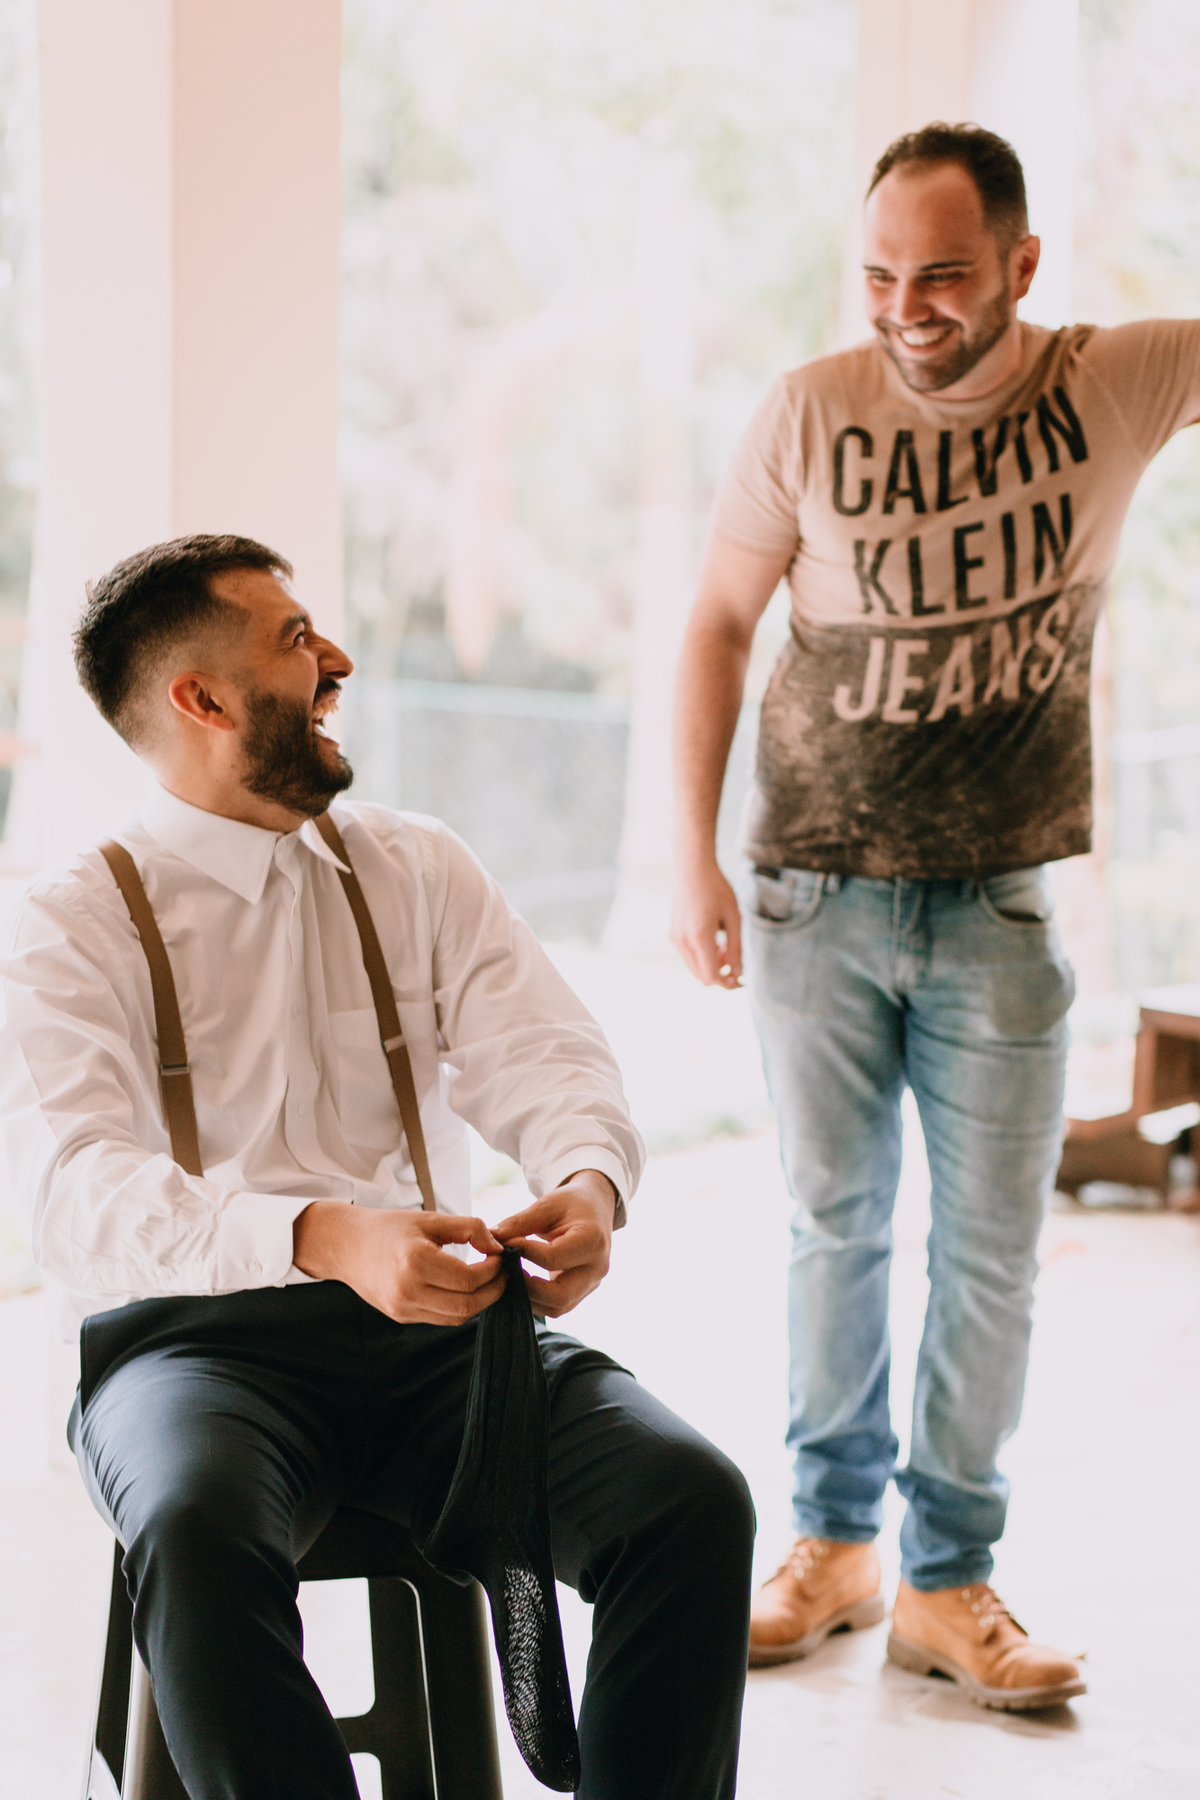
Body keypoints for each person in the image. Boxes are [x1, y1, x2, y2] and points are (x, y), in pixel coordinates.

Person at [0, 534, 754, 1800]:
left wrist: (588, 1182)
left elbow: (551, 1053)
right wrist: (317, 1234)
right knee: (194, 1533)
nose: (335, 659)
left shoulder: (413, 864)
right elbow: (66, 1192)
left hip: (444, 1344)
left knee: (691, 1500)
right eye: (295, 641)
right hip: (196, 1352)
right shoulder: (68, 923)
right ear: (202, 699)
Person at [672, 120, 1200, 1711]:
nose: (907, 306)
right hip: (810, 890)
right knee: (837, 1229)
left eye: (947, 276)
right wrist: (690, 856)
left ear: (1023, 266)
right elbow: (713, 619)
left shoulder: (1113, 383)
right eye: (883, 274)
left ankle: (948, 1582)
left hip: (1001, 903)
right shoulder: (810, 413)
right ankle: (833, 1553)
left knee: (992, 1256)